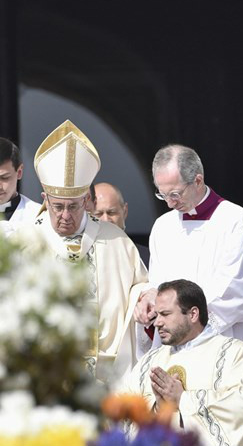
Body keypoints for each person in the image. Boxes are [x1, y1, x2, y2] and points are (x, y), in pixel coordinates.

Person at [135, 144, 243, 446]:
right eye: (162, 194)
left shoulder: (236, 221)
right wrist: (150, 302)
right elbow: (160, 286)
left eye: (175, 193)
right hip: (174, 353)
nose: (169, 203)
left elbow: (238, 293)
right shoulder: (162, 227)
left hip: (227, 347)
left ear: (198, 180)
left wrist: (187, 325)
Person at [26, 119, 149, 384]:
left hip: (109, 373)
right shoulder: (24, 242)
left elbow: (138, 287)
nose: (65, 216)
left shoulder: (115, 240)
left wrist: (143, 298)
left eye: (74, 206)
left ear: (86, 201)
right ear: (44, 199)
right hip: (45, 370)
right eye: (58, 207)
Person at [120, 279, 243, 446]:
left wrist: (181, 399)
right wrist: (157, 408)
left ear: (193, 314)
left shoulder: (235, 353)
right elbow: (123, 408)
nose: (157, 322)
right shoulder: (150, 361)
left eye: (165, 314)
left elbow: (241, 411)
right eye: (157, 314)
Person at [93, 182, 150, 268]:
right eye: (98, 214)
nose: (106, 220)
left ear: (125, 211)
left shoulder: (146, 259)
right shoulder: (76, 262)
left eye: (111, 213)